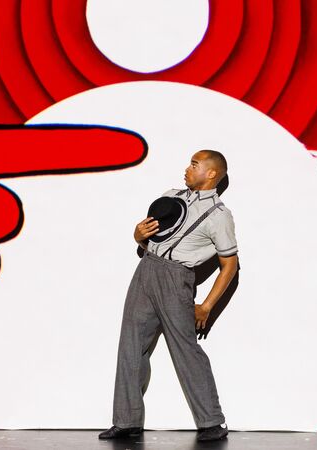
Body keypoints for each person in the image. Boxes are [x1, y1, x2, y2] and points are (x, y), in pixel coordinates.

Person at [99, 150, 238, 442]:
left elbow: (230, 265)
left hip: (176, 279)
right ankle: (127, 422)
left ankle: (212, 422)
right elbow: (148, 237)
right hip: (146, 268)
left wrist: (207, 305)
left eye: (194, 164)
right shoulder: (171, 197)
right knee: (132, 345)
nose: (187, 169)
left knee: (185, 349)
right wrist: (138, 235)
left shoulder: (219, 215)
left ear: (211, 173)